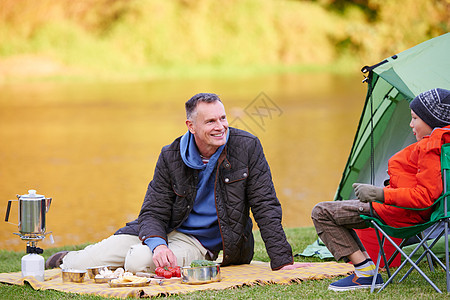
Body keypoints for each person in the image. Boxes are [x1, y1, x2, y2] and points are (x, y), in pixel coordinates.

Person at [47, 92, 308, 272]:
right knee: (79, 264)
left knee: (139, 262)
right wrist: (158, 243)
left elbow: (265, 206)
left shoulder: (247, 147)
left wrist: (282, 261)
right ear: (191, 126)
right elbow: (152, 210)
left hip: (202, 244)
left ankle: (133, 262)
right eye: (211, 121)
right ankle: (69, 259)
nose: (221, 127)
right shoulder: (171, 155)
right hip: (167, 229)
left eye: (223, 118)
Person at [311, 88, 450, 291]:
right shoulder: (443, 146)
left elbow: (424, 197)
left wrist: (380, 194)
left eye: (415, 118)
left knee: (321, 212)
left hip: (403, 213)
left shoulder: (431, 148)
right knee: (335, 211)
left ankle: (365, 273)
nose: (411, 124)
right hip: (411, 211)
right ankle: (366, 267)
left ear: (432, 120)